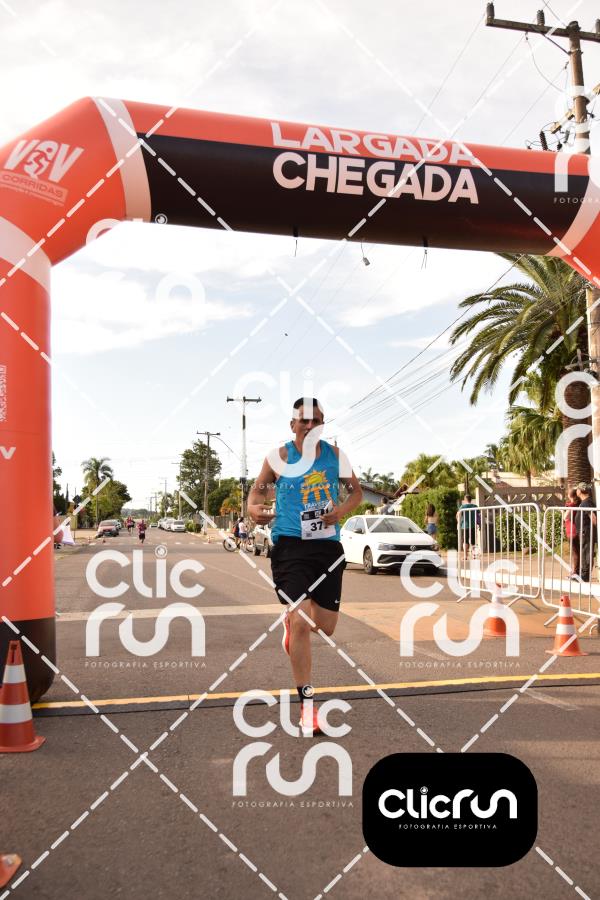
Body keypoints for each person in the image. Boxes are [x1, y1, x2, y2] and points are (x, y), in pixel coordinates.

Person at [248, 397, 363, 736]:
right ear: (293, 424)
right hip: (289, 546)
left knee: (325, 627)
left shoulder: (336, 456)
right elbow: (256, 495)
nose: (310, 426)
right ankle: (307, 709)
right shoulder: (278, 458)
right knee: (301, 620)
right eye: (305, 420)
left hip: (327, 547)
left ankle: (293, 624)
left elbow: (356, 493)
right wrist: (254, 509)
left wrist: (340, 512)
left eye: (317, 421)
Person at [575, 483, 596, 582]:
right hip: (584, 532)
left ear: (580, 491)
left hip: (586, 532)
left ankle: (585, 575)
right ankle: (584, 574)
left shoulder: (587, 502)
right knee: (584, 553)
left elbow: (593, 518)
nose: (576, 491)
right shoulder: (585, 502)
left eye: (577, 489)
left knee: (586, 553)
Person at [563, 488, 580, 578]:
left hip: (572, 531)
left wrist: (563, 511)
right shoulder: (578, 504)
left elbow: (565, 517)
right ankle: (577, 571)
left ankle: (576, 572)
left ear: (570, 495)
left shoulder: (572, 505)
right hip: (576, 530)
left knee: (575, 553)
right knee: (577, 552)